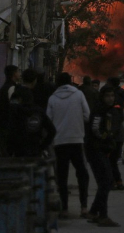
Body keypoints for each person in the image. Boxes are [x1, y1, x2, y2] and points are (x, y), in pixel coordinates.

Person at [46, 72, 91, 219]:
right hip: (77, 140)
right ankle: (84, 207)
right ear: (70, 82)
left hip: (60, 142)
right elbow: (87, 115)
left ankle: (64, 208)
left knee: (62, 176)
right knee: (82, 174)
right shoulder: (78, 95)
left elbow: (48, 120)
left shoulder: (52, 98)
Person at [84, 86, 121, 227]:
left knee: (104, 181)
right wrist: (106, 139)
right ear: (102, 97)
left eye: (112, 95)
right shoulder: (99, 110)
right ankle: (103, 216)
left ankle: (94, 212)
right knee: (106, 181)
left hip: (100, 149)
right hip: (95, 149)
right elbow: (95, 129)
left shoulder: (108, 110)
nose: (110, 98)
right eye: (107, 96)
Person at [6, 88, 56, 158]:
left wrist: (10, 150)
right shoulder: (39, 111)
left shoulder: (16, 112)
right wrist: (42, 146)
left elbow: (11, 132)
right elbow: (52, 130)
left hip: (19, 152)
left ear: (20, 99)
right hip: (35, 150)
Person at [0, 65, 21, 157]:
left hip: (3, 126)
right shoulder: (12, 89)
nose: (19, 74)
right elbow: (14, 108)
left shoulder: (3, 88)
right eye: (18, 72)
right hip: (9, 128)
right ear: (14, 74)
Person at [106, 76, 124, 190]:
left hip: (113, 138)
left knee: (110, 162)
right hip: (117, 138)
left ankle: (114, 182)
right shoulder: (117, 109)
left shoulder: (111, 111)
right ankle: (117, 182)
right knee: (112, 162)